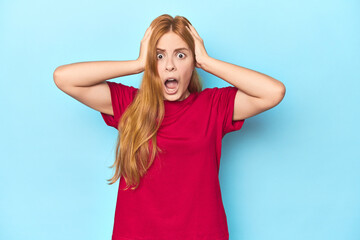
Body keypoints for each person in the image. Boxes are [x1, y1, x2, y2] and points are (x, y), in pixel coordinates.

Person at [54, 14, 285, 240]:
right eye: (159, 56)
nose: (170, 66)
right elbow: (64, 77)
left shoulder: (213, 106)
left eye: (181, 55)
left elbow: (273, 92)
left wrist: (207, 61)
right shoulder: (130, 104)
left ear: (193, 62)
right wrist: (136, 65)